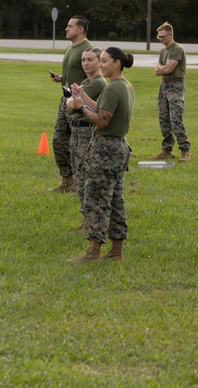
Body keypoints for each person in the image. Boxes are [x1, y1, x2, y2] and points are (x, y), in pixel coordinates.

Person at [65, 46, 134, 263]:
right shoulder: (123, 86)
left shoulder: (113, 88)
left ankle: (93, 252)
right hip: (119, 146)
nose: (101, 65)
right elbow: (103, 109)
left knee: (97, 199)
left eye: (104, 61)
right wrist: (82, 96)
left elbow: (102, 121)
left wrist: (78, 108)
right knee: (115, 199)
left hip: (105, 149)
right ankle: (116, 251)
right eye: (100, 61)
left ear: (117, 63)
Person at [47, 16, 94, 193]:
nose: (66, 29)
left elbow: (95, 75)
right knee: (59, 140)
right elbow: (75, 72)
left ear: (80, 29)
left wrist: (81, 98)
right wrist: (61, 78)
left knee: (80, 144)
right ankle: (68, 181)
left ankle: (85, 185)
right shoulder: (70, 48)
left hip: (79, 102)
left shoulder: (88, 49)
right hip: (65, 99)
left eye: (70, 26)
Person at [66, 47, 105, 232]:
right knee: (79, 177)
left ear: (99, 62)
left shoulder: (97, 83)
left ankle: (90, 222)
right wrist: (72, 102)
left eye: (90, 60)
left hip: (86, 132)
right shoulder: (85, 81)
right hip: (77, 131)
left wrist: (73, 102)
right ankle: (86, 220)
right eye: (83, 60)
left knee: (85, 178)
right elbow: (71, 107)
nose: (85, 63)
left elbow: (73, 104)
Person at [153, 22, 191, 162]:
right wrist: (161, 68)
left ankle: (185, 150)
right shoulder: (163, 51)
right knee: (164, 119)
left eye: (163, 36)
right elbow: (158, 67)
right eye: (159, 37)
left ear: (170, 35)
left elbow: (168, 69)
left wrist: (162, 69)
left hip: (176, 85)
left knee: (175, 119)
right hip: (164, 85)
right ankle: (166, 150)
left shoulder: (177, 49)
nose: (160, 39)